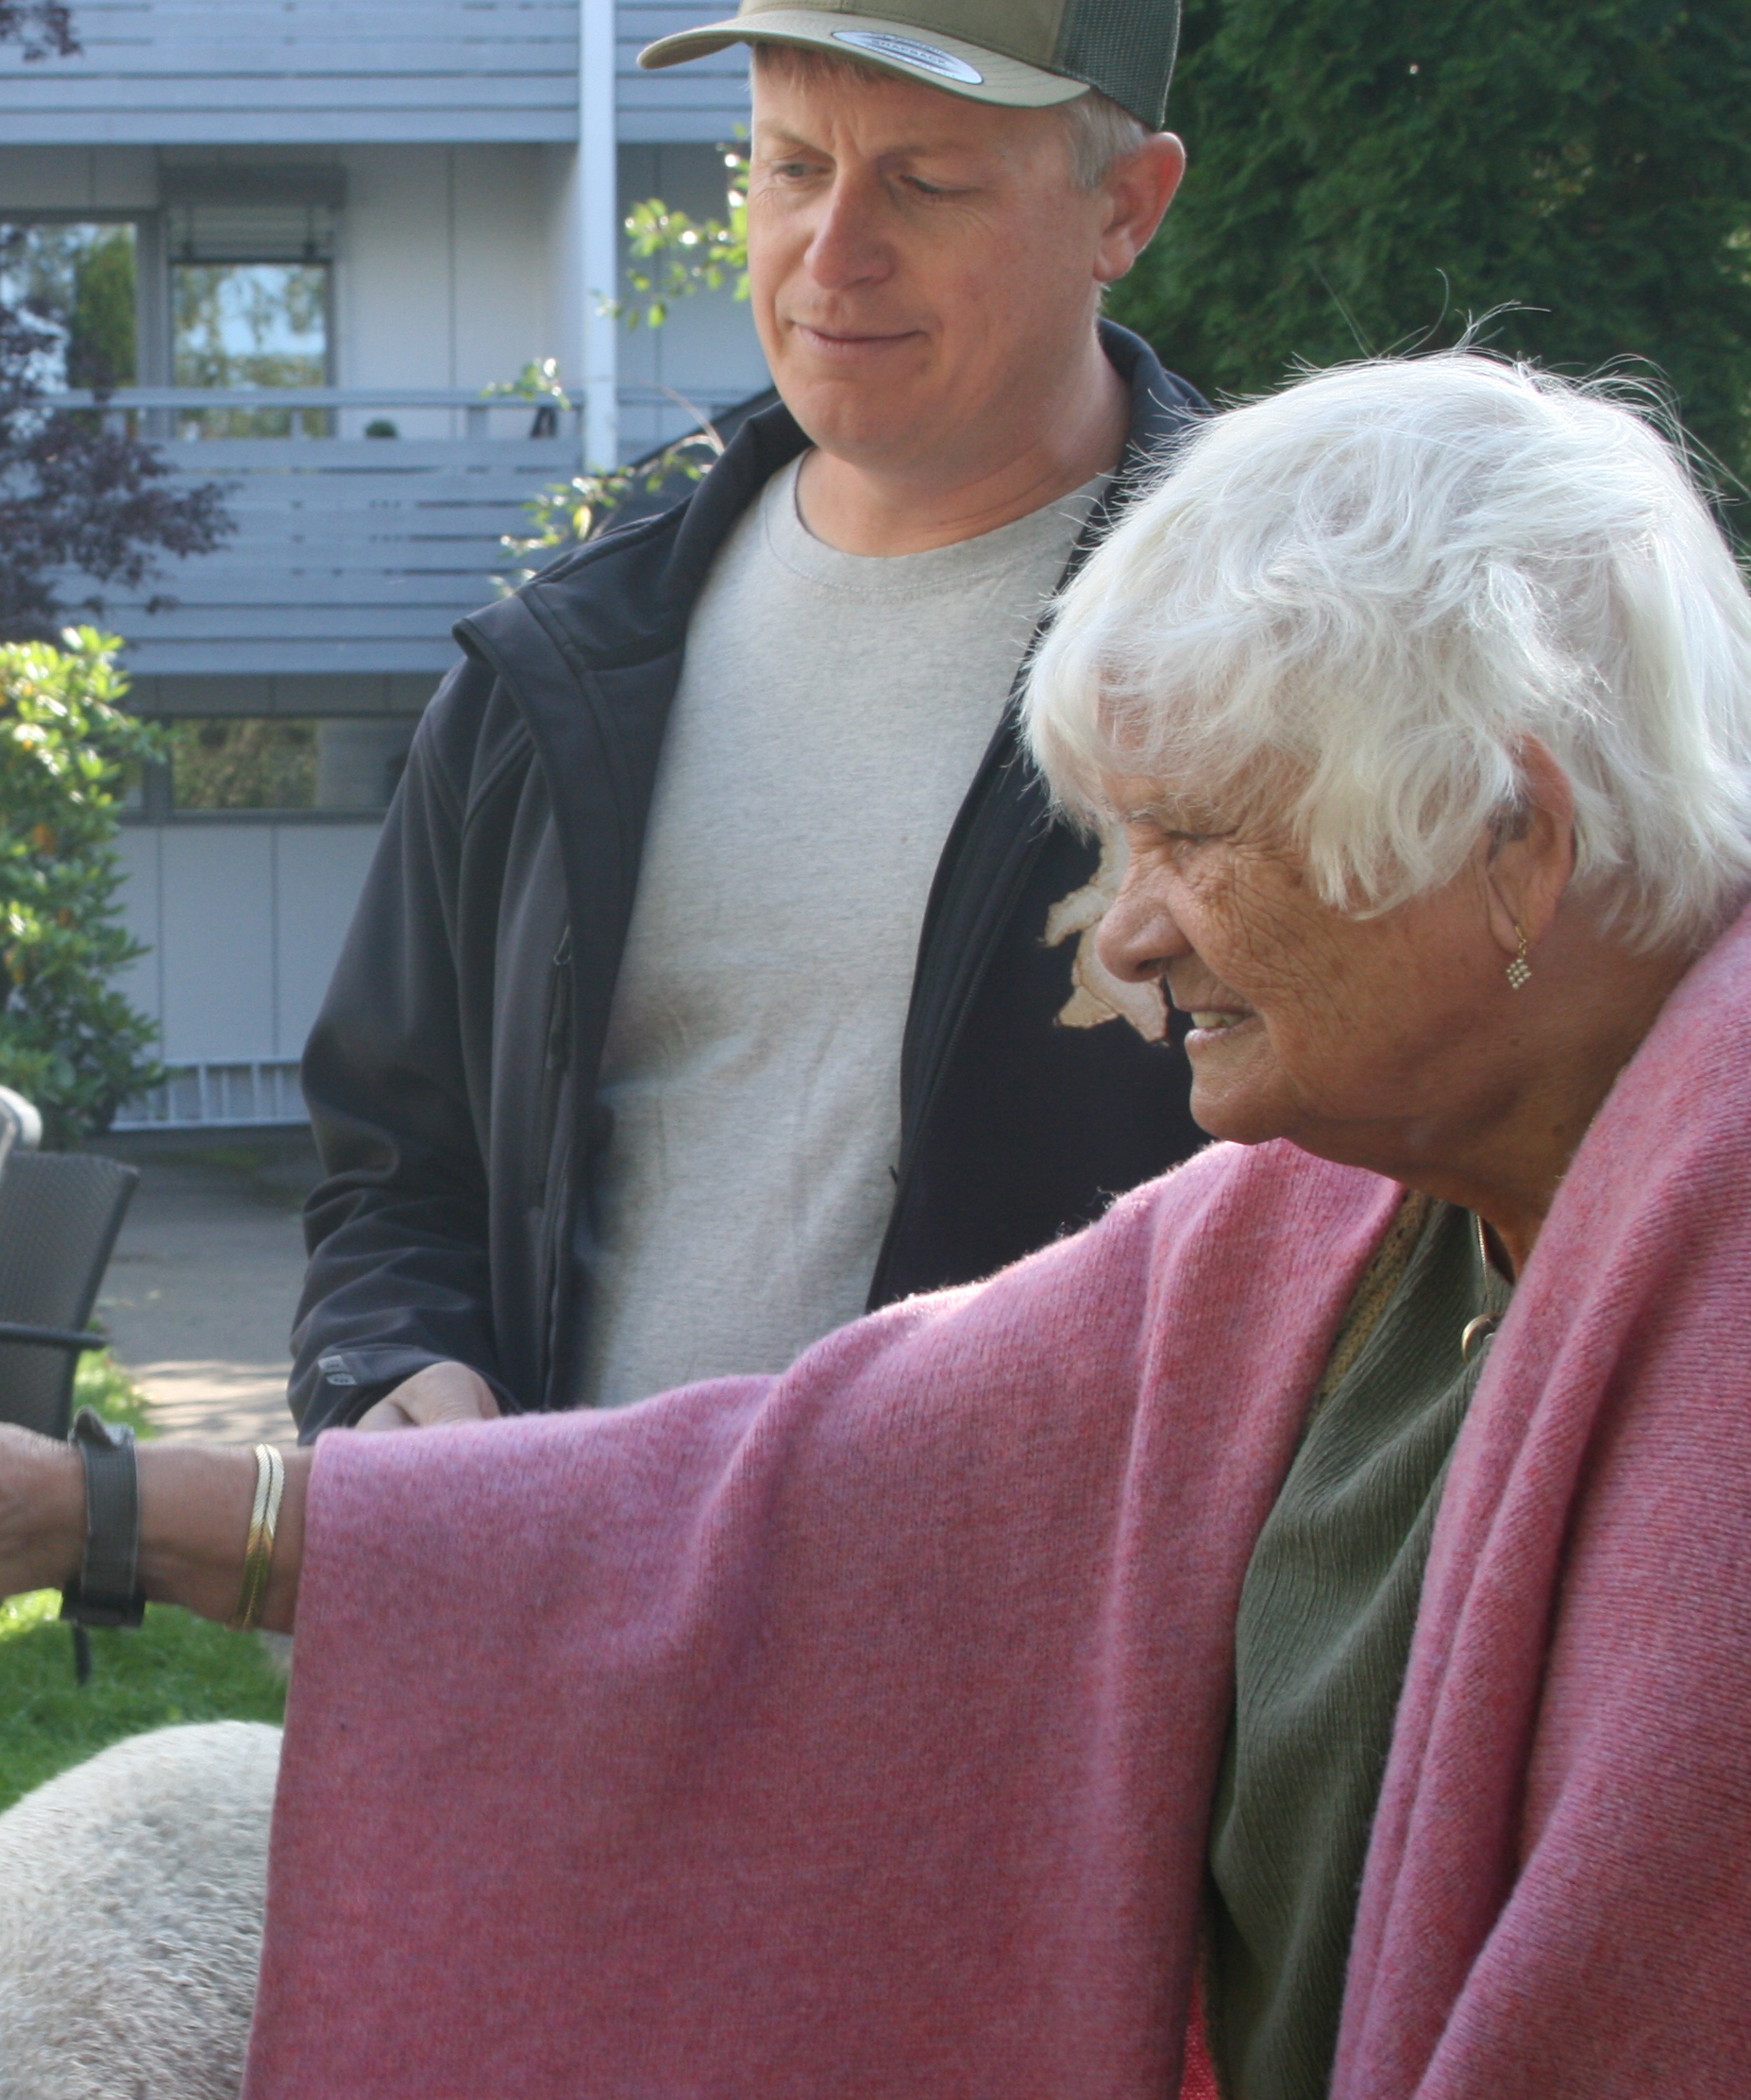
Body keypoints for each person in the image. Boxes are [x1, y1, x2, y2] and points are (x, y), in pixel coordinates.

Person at [0, 359, 1751, 2100]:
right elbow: (781, 1506)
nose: (1133, 934)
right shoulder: (1342, 1220)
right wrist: (67, 1505)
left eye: (1192, 842)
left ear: (1511, 835)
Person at [291, 0, 1208, 1436]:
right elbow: (394, 1171)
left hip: (1054, 1646)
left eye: (927, 181)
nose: (832, 254)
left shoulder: (1290, 664)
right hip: (578, 1619)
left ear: (1125, 207)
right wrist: (396, 1368)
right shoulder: (556, 671)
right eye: (789, 168)